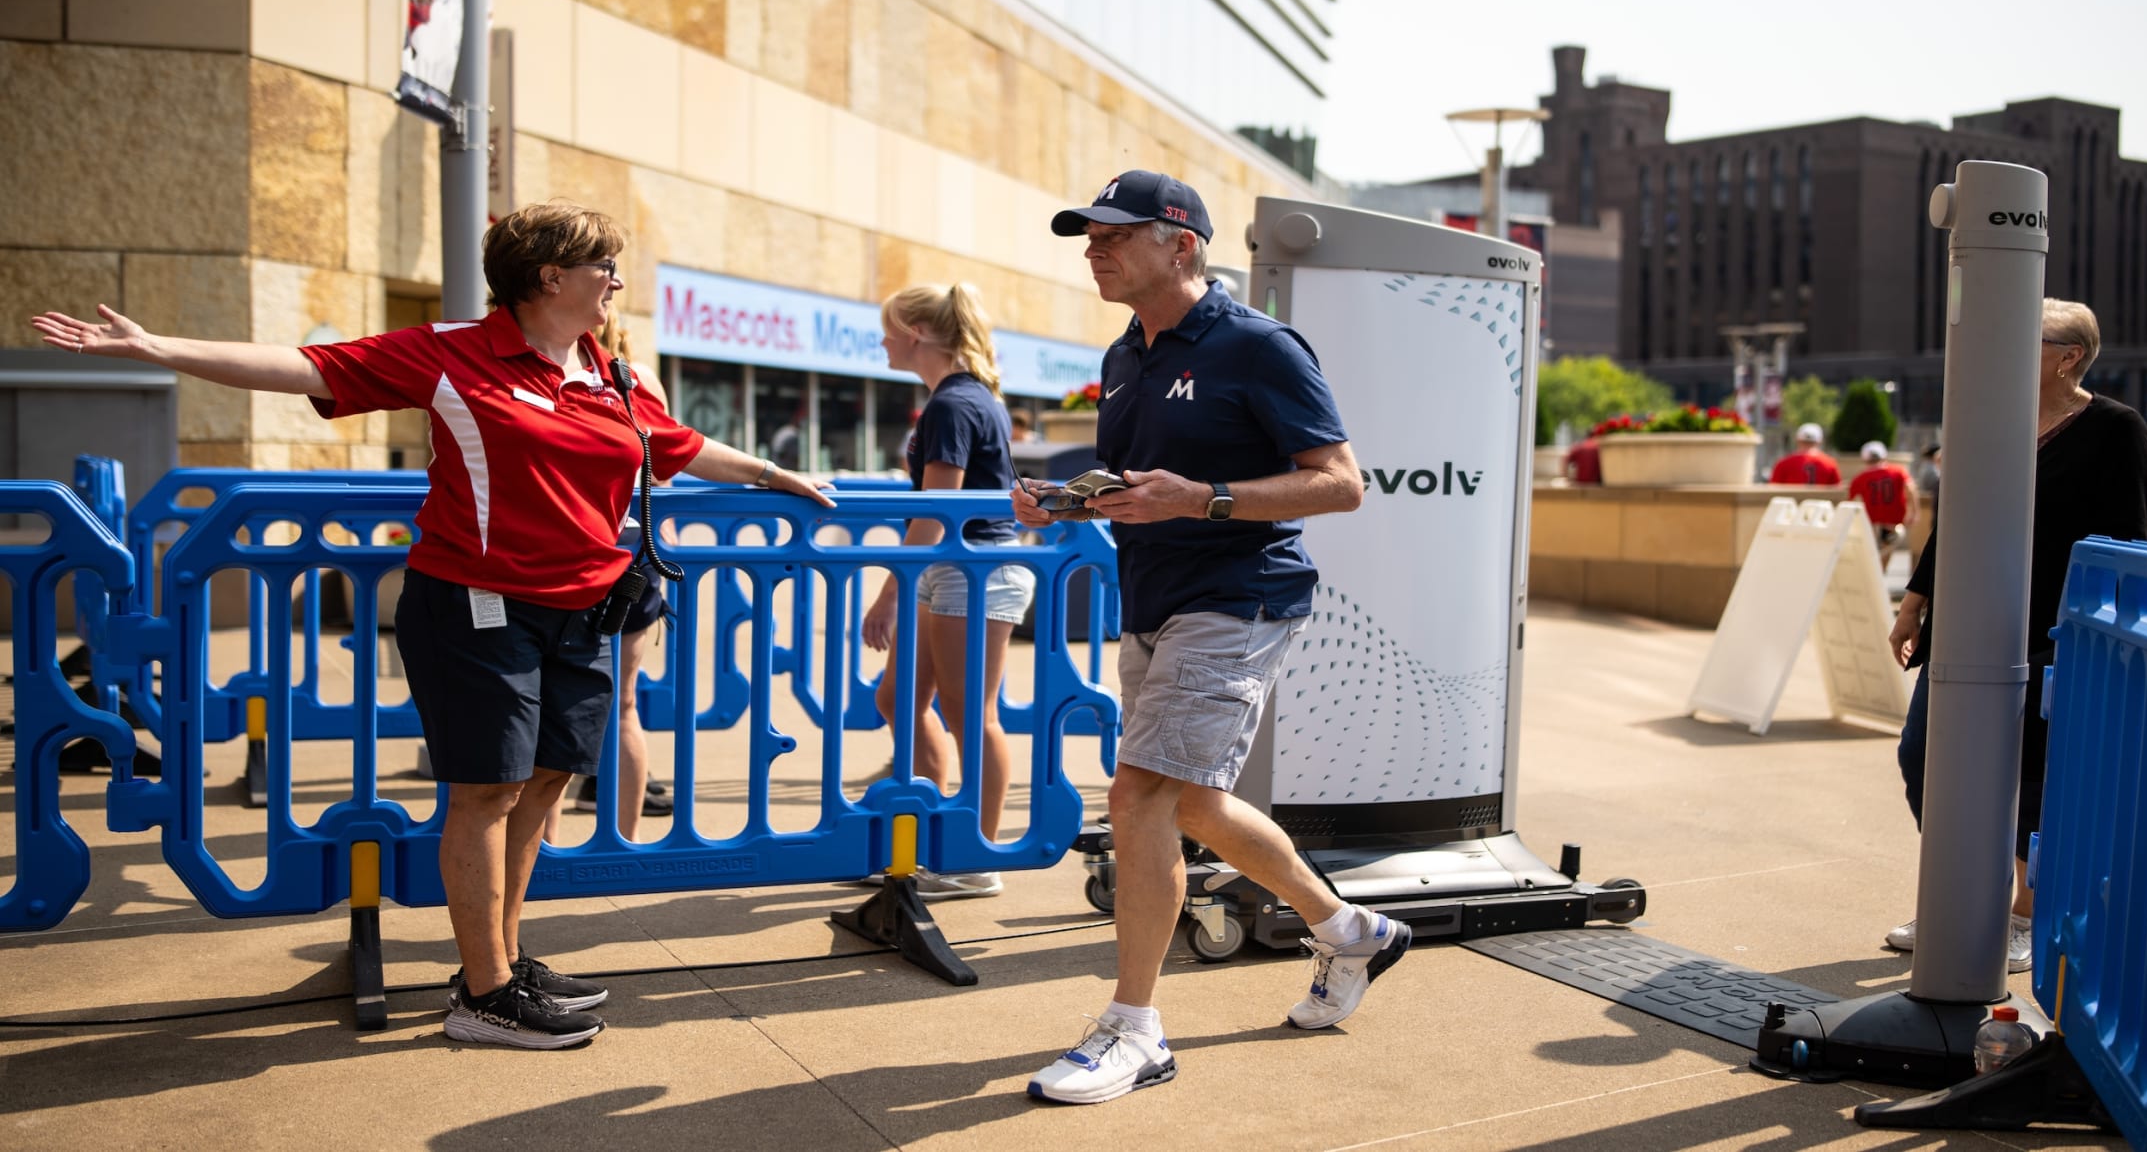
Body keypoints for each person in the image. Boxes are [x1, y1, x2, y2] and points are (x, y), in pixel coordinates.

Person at [32, 202, 834, 1048]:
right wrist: (159, 348)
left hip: (585, 608)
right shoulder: (451, 353)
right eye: (606, 266)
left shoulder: (608, 371)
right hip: (477, 606)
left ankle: (502, 959)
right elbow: (301, 366)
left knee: (549, 781)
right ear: (550, 276)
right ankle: (483, 995)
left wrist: (773, 472)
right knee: (487, 790)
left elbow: (674, 446)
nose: (618, 281)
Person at [1014, 170, 1395, 1105]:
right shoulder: (1122, 356)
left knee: (1138, 794)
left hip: (1239, 596)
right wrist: (1073, 500)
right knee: (1191, 806)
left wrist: (1207, 499)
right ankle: (1349, 930)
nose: (1093, 249)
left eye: (1113, 233)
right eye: (1087, 236)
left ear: (1181, 243)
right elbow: (1147, 484)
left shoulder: (1258, 346)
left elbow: (1342, 482)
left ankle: (1134, 1031)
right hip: (1153, 598)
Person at [1884, 299, 2147, 971]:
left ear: (2069, 356)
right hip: (1964, 626)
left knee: (2030, 778)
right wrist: (1915, 602)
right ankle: (1966, 897)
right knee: (1925, 759)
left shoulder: (2116, 431)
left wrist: (2095, 634)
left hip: (2053, 632)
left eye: (2026, 337)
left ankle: (2024, 912)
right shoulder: (1992, 418)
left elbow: (2131, 539)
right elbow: (1953, 518)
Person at [860, 283, 1034, 900]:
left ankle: (974, 856)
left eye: (887, 329)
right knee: (899, 699)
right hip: (956, 567)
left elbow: (935, 513)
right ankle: (933, 832)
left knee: (967, 714)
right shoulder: (957, 399)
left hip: (975, 566)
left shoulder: (953, 404)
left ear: (915, 333)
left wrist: (888, 594)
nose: (881, 339)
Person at [542, 311, 677, 846]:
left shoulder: (550, 374)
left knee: (552, 707)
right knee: (624, 705)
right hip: (633, 551)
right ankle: (624, 843)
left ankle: (543, 849)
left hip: (570, 555)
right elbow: (663, 471)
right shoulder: (640, 377)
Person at [1846, 441, 1914, 567]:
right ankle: (1880, 579)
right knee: (1884, 555)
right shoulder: (1897, 471)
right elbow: (1911, 489)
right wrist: (1914, 512)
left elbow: (1849, 501)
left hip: (1872, 522)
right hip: (1892, 522)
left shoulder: (1861, 477)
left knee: (1871, 555)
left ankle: (1875, 581)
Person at [1770, 422, 1841, 484]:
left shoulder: (1783, 463)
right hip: (1821, 499)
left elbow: (1773, 488)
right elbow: (1837, 490)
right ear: (1819, 441)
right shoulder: (1830, 463)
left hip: (1793, 499)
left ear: (1798, 440)